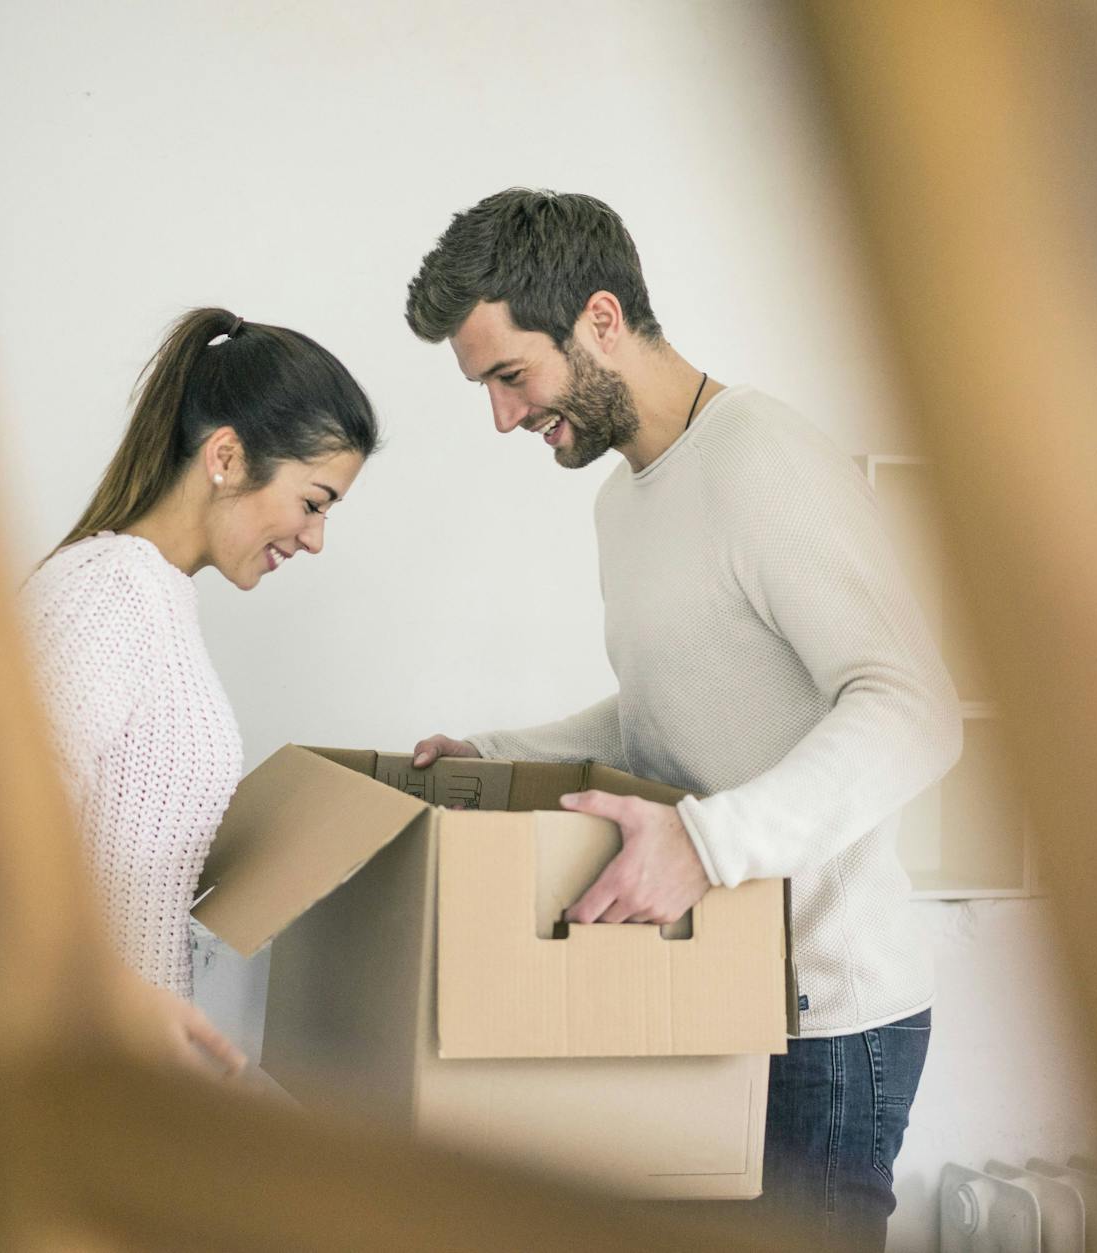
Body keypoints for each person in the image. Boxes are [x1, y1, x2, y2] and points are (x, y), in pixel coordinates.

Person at [403, 190, 960, 1248]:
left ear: (600, 320)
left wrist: (705, 843)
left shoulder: (764, 458)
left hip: (825, 1025)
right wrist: (497, 754)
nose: (502, 418)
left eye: (510, 376)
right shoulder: (622, 502)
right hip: (710, 993)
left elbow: (912, 707)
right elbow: (663, 712)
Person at [0, 307, 377, 1250]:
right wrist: (120, 1002)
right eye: (316, 501)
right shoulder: (108, 594)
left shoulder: (154, 599)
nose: (317, 540)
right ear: (229, 456)